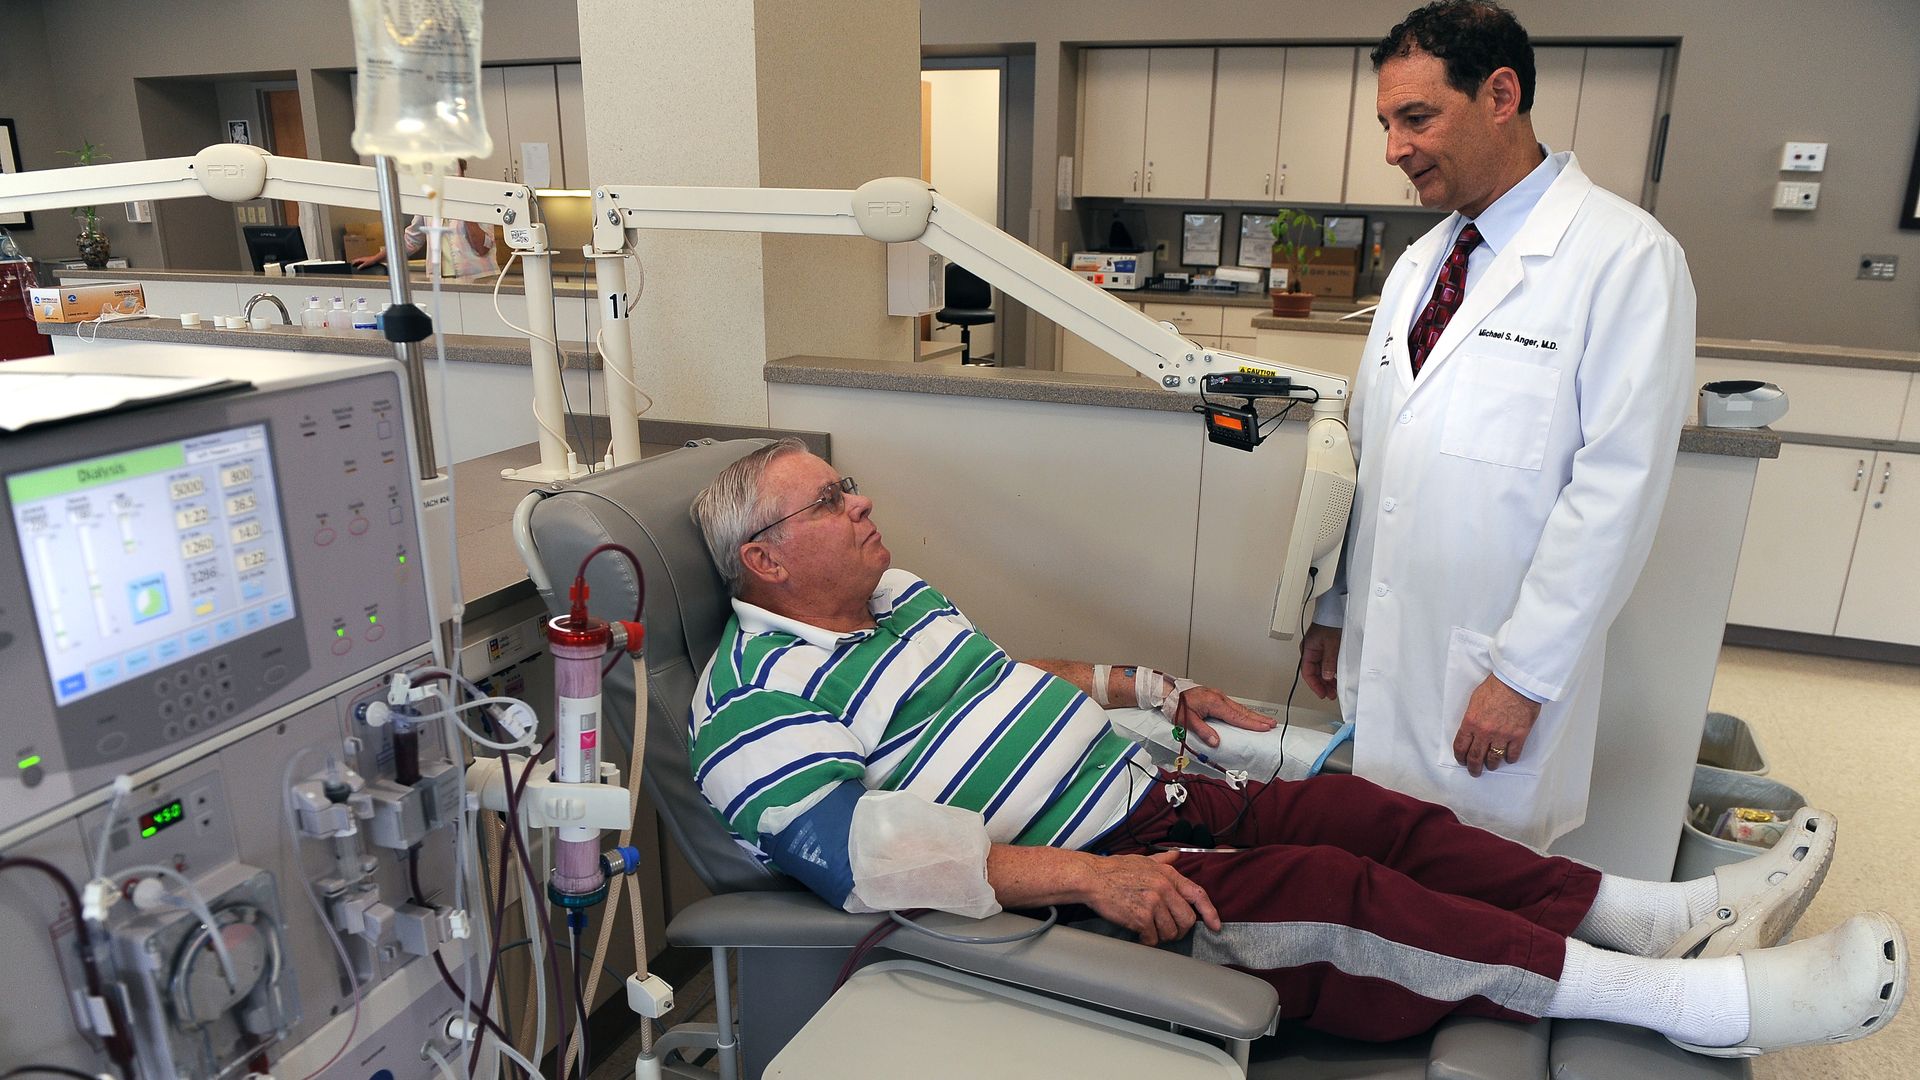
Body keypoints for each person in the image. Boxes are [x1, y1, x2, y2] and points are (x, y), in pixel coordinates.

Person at [685, 440, 1905, 1056]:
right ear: (768, 560)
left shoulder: (893, 597)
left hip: (1160, 794)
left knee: (1384, 816)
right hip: (1105, 888)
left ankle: (1641, 910)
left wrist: (1148, 687)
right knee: (1347, 893)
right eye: (832, 501)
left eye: (849, 486)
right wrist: (1090, 876)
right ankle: (1696, 1004)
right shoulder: (749, 704)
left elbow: (1008, 680)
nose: (862, 506)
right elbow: (868, 856)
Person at [1296, 1, 1697, 848]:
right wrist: (1334, 609)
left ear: (1501, 95)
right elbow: (1369, 457)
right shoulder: (1421, 264)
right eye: (1386, 122)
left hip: (1490, 672)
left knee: (1481, 901)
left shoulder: (1625, 259)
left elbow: (1615, 496)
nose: (1394, 148)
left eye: (1416, 117)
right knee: (1381, 879)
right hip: (1389, 655)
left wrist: (1522, 677)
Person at [350, 160, 497, 278]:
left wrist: (465, 211)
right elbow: (410, 241)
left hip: (477, 277)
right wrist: (376, 258)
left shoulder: (478, 197)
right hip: (439, 279)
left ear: (461, 171)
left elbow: (483, 248)